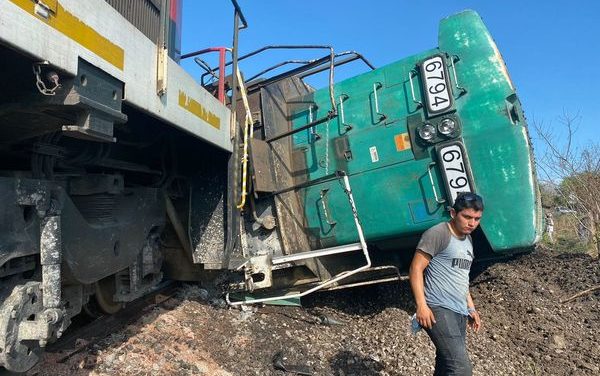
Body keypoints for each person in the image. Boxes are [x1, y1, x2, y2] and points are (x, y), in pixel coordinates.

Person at [409, 192, 484, 376]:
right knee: (461, 369)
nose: (472, 223)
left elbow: (461, 276)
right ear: (452, 213)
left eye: (476, 219)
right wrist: (421, 306)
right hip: (437, 309)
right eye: (467, 217)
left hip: (458, 310)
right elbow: (415, 269)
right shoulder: (438, 233)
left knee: (445, 365)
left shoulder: (468, 239)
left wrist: (471, 308)